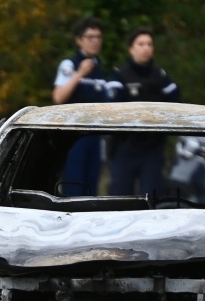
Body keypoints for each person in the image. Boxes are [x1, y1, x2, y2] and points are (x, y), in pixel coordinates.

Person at [106, 27, 180, 197]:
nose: (146, 48)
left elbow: (176, 105)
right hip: (125, 147)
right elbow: (112, 108)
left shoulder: (160, 76)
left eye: (149, 44)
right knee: (119, 199)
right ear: (131, 48)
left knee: (152, 200)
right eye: (140, 44)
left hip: (152, 149)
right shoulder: (120, 76)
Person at [52, 16, 108, 196]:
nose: (95, 41)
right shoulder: (70, 64)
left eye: (98, 37)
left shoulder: (100, 68)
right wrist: (79, 74)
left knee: (91, 188)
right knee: (74, 186)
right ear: (79, 40)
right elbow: (59, 97)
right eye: (90, 37)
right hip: (74, 136)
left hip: (95, 135)